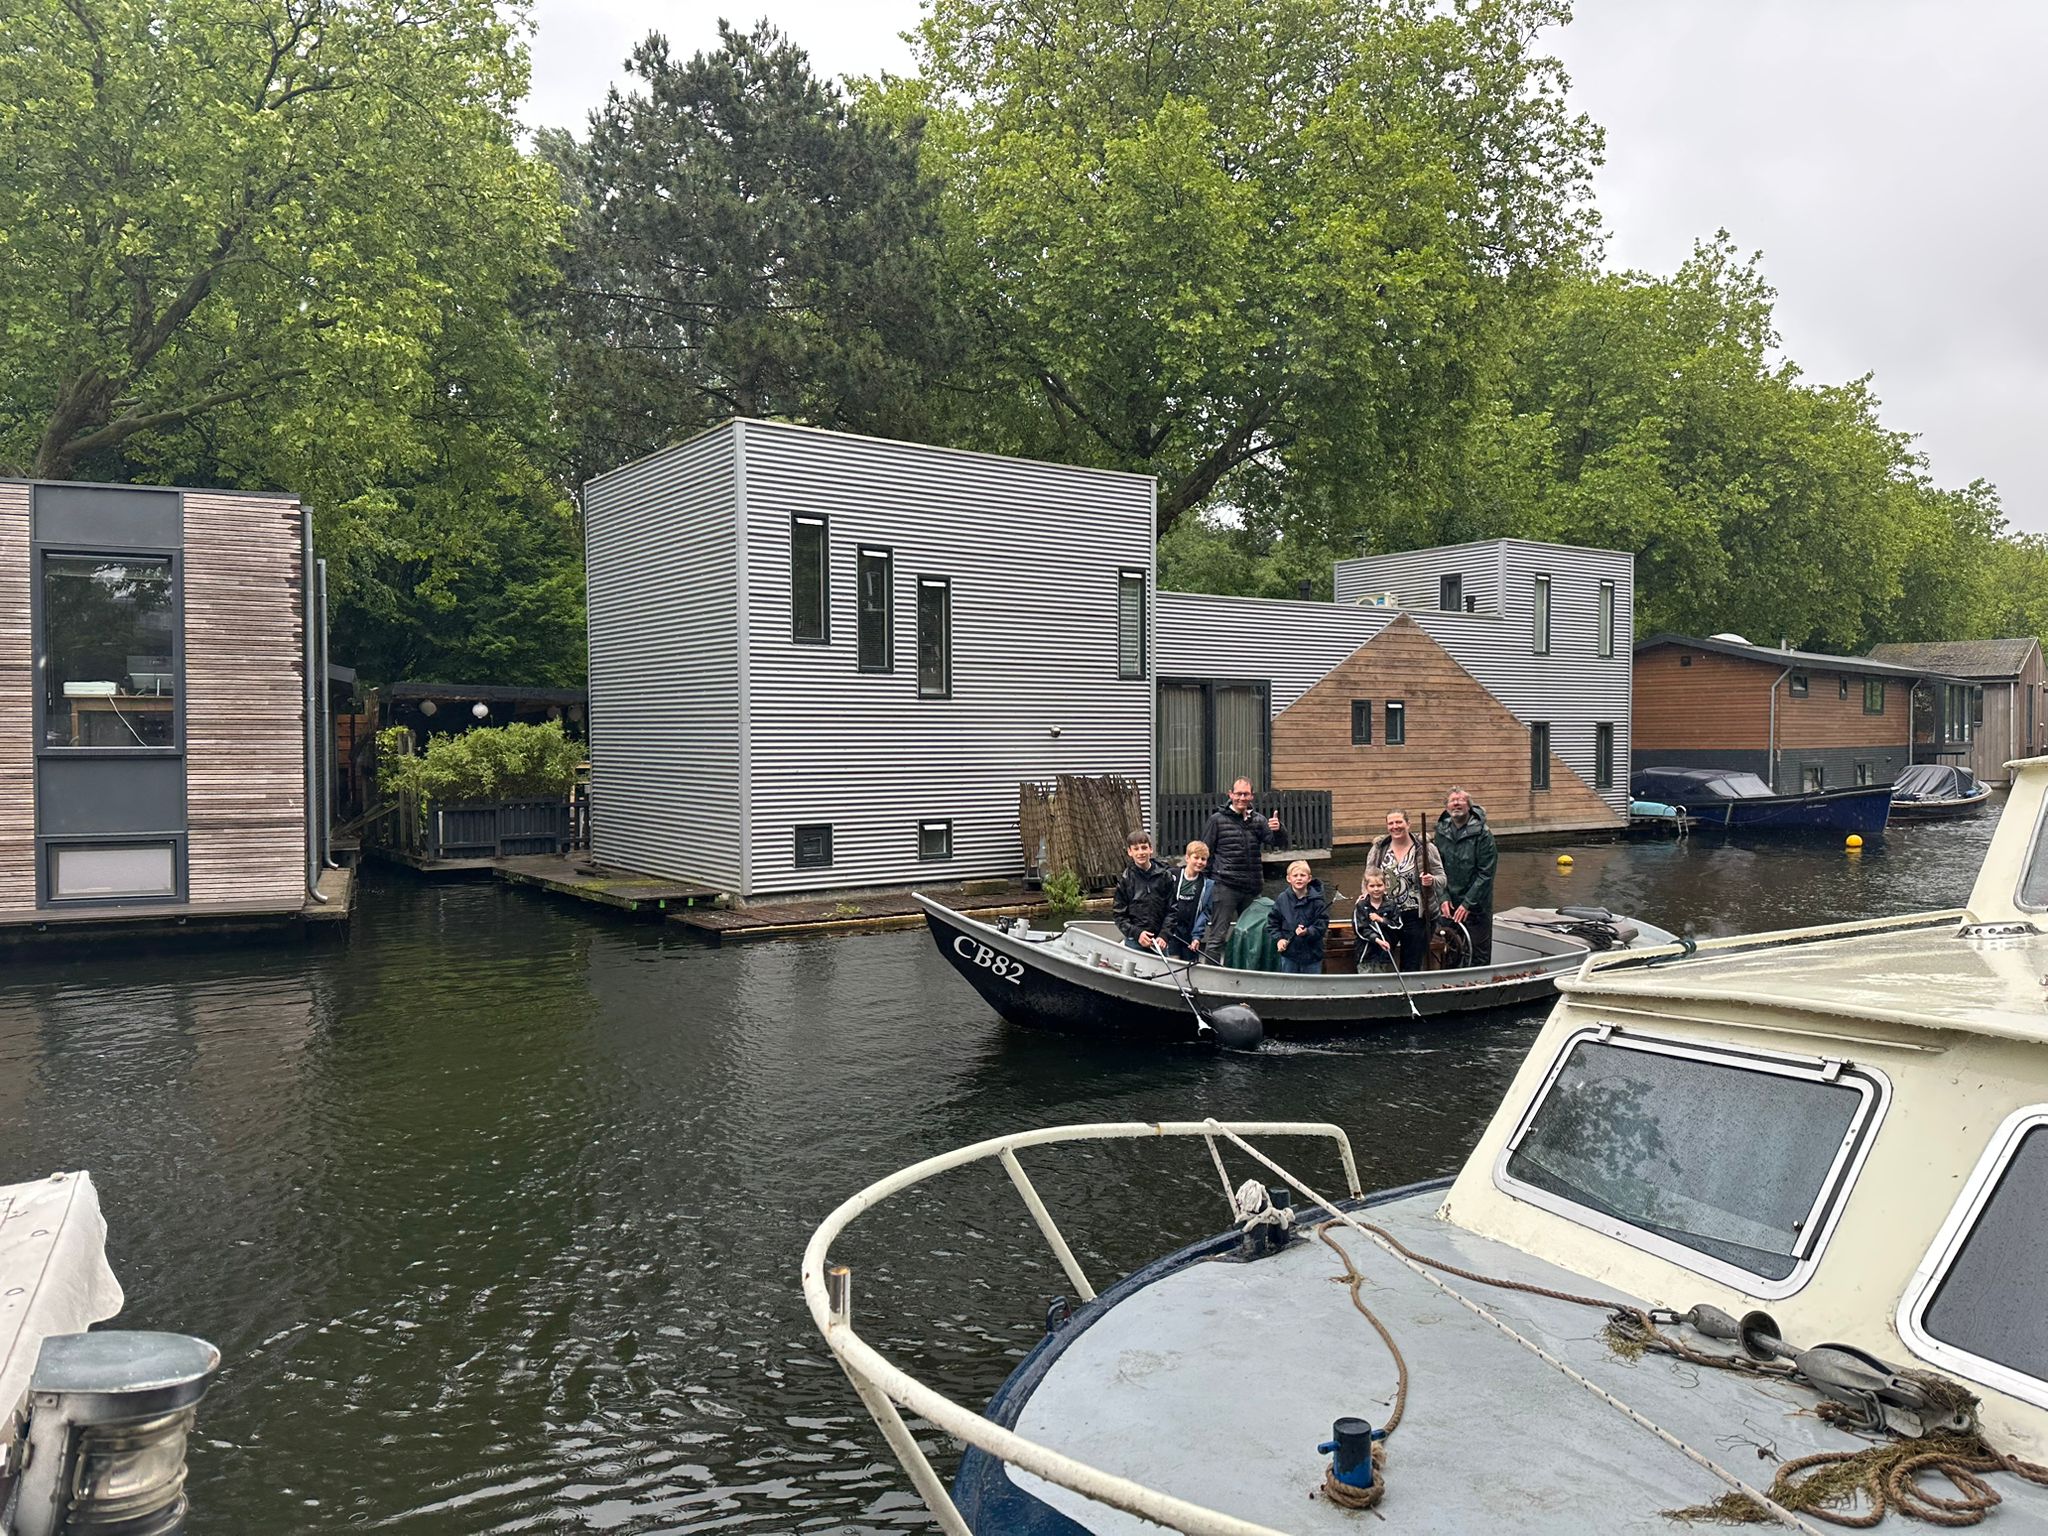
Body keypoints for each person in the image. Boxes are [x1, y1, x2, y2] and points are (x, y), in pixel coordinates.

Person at [1200, 777, 1287, 956]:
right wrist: (1207, 883)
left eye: (1246, 794)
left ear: (1252, 796)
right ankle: (1210, 971)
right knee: (1217, 937)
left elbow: (1277, 843)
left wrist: (1279, 829)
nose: (1242, 798)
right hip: (1225, 886)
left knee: (1253, 935)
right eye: (1238, 794)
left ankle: (1247, 969)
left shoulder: (1258, 820)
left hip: (1252, 888)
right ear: (1230, 795)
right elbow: (1206, 852)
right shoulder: (1216, 820)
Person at [1364, 809, 1444, 972]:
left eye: (1399, 822)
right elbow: (1367, 878)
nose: (1395, 826)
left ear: (1408, 824)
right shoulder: (1379, 849)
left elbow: (1442, 878)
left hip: (1416, 916)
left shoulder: (1425, 848)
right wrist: (1366, 896)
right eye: (1391, 823)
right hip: (1386, 913)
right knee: (1381, 957)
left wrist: (1432, 881)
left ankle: (1411, 984)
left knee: (1411, 963)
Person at [1434, 786, 1498, 967]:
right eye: (1452, 801)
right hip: (1449, 903)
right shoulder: (1441, 831)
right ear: (1446, 807)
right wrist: (1443, 897)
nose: (1456, 804)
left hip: (1476, 905)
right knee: (1447, 948)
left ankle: (1479, 980)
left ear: (1469, 806)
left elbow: (1486, 873)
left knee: (1477, 952)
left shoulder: (1483, 834)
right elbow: (1437, 868)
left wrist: (1468, 903)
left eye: (1460, 800)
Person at [1111, 830, 1174, 952]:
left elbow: (1172, 910)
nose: (1140, 853)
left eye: (1144, 848)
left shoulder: (1165, 876)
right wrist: (1137, 933)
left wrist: (1165, 934)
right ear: (1130, 852)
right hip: (1135, 941)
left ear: (1151, 849)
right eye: (1136, 849)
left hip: (1160, 941)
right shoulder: (1126, 880)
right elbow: (1119, 915)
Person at [1267, 860, 1329, 974]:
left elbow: (1322, 924)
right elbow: (1273, 923)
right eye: (1295, 876)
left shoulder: (1318, 901)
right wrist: (1279, 939)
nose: (1299, 878)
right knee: (1289, 983)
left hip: (1312, 955)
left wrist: (1308, 932)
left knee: (1312, 984)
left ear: (1309, 878)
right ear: (1288, 879)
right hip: (1290, 955)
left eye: (1302, 875)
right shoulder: (1282, 899)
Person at [1162, 840, 1215, 961]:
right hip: (1171, 932)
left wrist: (1197, 937)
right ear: (1187, 858)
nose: (1199, 862)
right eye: (1196, 857)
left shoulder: (1208, 885)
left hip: (1190, 934)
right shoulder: (1172, 876)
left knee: (1189, 965)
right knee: (1173, 962)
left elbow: (1205, 913)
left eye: (1203, 859)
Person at [1352, 870, 1400, 973]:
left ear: (1385, 886)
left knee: (1383, 979)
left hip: (1385, 954)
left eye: (1379, 885)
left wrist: (1381, 920)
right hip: (1366, 954)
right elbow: (1360, 929)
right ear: (1366, 887)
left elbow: (1397, 926)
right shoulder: (1361, 905)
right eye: (1372, 886)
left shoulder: (1391, 905)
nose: (1376, 889)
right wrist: (1377, 940)